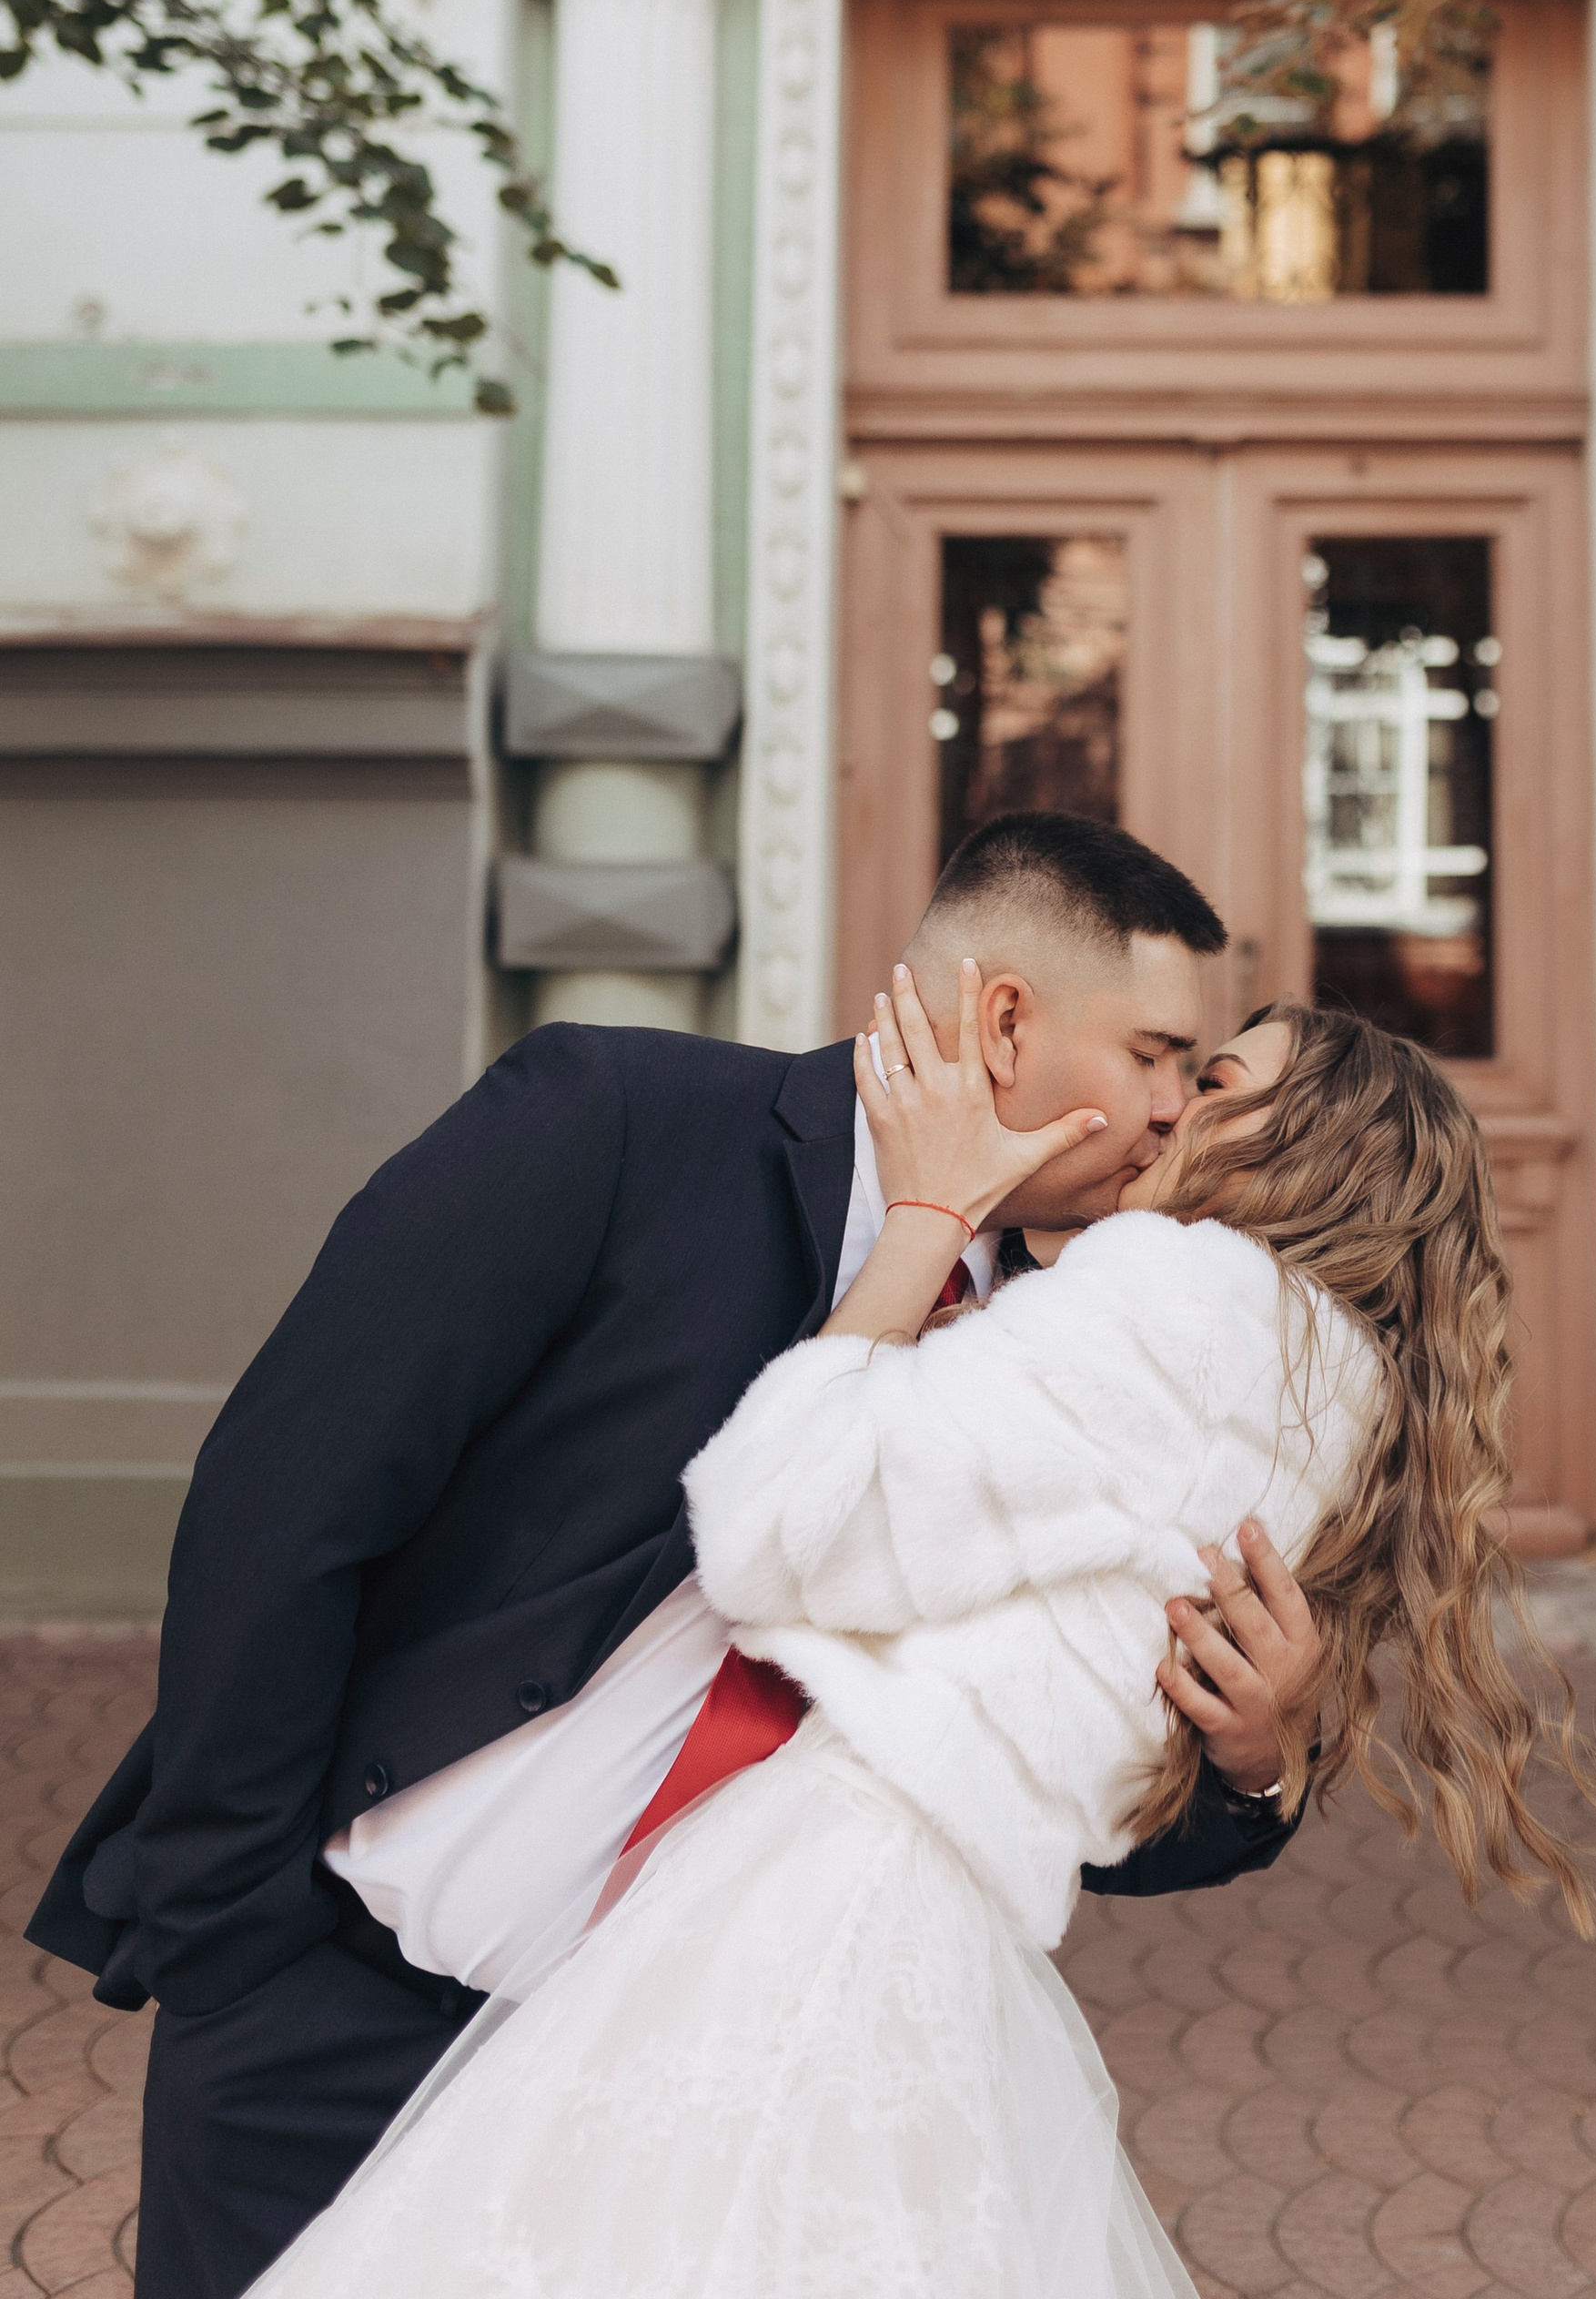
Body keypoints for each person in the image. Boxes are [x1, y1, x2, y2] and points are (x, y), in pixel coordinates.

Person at [25, 814, 1334, 2299]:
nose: (1178, 1110)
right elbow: (286, 1504)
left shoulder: (1081, 1354)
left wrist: (1254, 1767)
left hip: (676, 2122)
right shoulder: (614, 1123)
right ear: (1008, 1021)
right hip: (337, 2012)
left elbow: (1018, 1779)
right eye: (1161, 1054)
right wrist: (235, 1951)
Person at [227, 960, 1596, 2299]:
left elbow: (777, 1521)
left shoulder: (1173, 1299)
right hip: (936, 1924)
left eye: (1209, 1081)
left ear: (1310, 1147)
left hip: (819, 1894)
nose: (1167, 1112)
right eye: (1168, 1063)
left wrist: (922, 1228)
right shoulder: (1326, 1392)